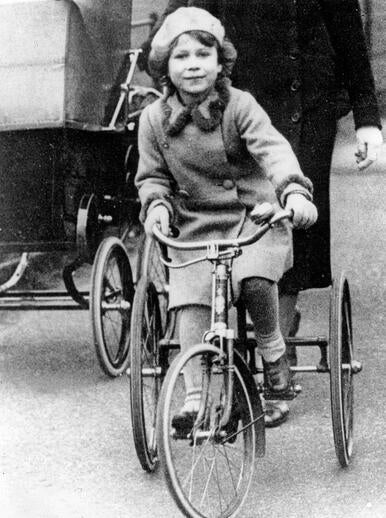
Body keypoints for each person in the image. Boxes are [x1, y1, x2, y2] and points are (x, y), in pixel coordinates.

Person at [140, 0, 383, 426]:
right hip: (226, 88)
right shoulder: (166, 108)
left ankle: (277, 349)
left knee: (289, 218)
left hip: (303, 98)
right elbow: (183, 13)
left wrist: (367, 118)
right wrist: (168, 49)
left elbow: (345, 24)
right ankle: (203, 374)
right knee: (203, 259)